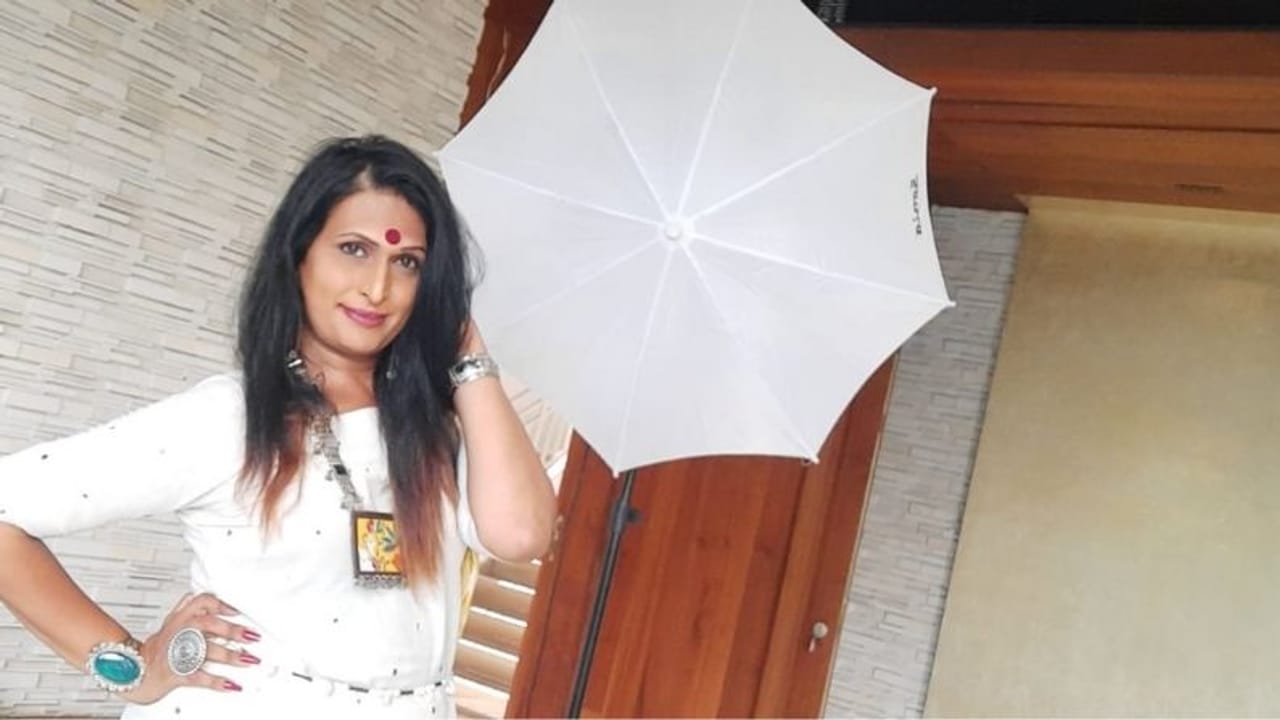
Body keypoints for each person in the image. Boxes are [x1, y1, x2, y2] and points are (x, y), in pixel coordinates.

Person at [0, 135, 557, 718]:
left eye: (407, 262)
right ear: (299, 255)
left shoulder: (442, 429)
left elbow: (521, 536)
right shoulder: (232, 418)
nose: (377, 287)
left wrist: (468, 351)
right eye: (354, 249)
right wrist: (134, 671)